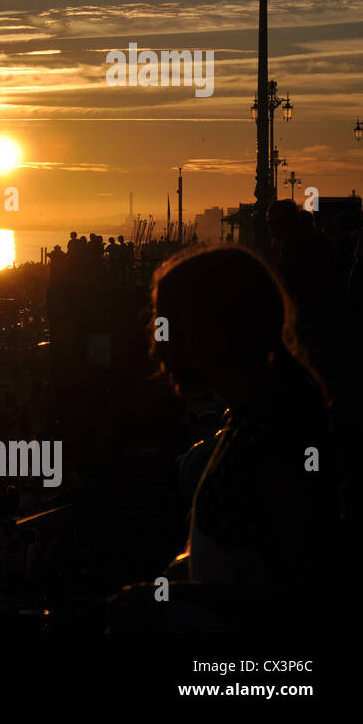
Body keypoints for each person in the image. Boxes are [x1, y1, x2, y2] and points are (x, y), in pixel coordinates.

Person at [151, 244, 336, 595]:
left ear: (213, 331)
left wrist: (167, 603)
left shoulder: (272, 440)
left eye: (165, 329)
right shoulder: (263, 422)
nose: (157, 349)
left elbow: (298, 592)